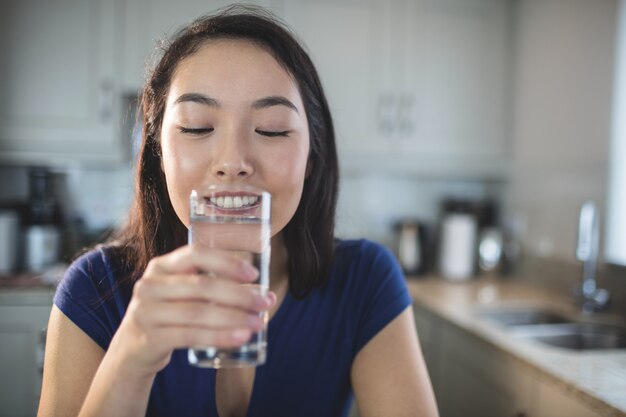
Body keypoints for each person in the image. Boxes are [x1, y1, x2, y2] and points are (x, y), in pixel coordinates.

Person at [38, 4, 439, 417]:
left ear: (311, 159)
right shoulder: (93, 289)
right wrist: (129, 362)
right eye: (197, 127)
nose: (233, 161)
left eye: (271, 129)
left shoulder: (366, 281)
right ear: (158, 153)